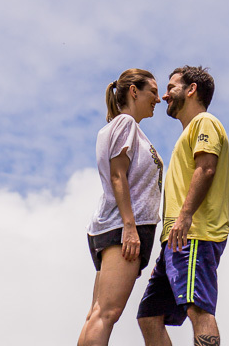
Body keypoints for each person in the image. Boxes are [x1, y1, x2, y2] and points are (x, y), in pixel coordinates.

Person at [137, 66, 229, 346]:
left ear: (191, 90)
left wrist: (185, 215)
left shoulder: (205, 122)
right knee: (149, 315)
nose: (164, 96)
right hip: (176, 240)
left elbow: (206, 168)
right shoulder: (189, 131)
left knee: (197, 306)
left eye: (171, 88)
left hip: (194, 233)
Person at [78, 69, 165, 346]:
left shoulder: (125, 127)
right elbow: (118, 174)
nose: (158, 99)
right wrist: (130, 227)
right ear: (133, 91)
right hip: (124, 227)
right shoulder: (125, 123)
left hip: (119, 226)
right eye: (153, 91)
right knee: (107, 313)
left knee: (97, 313)